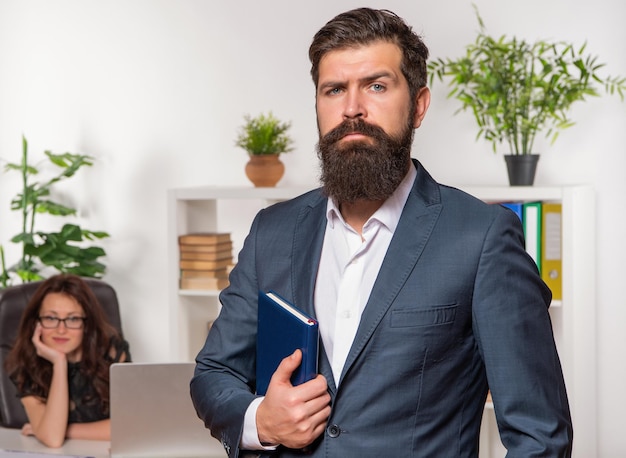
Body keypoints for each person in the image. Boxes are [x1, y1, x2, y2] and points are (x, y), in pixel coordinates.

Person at [191, 7, 573, 457]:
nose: (352, 109)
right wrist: (261, 420)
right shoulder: (272, 232)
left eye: (376, 86)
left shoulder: (483, 237)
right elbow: (214, 373)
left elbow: (540, 436)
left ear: (419, 105)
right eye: (334, 90)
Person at [5, 274, 131, 448]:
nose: (61, 329)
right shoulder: (25, 362)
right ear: (36, 323)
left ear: (86, 324)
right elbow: (53, 439)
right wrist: (59, 363)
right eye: (51, 318)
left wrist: (68, 430)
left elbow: (130, 426)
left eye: (73, 319)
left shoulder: (112, 352)